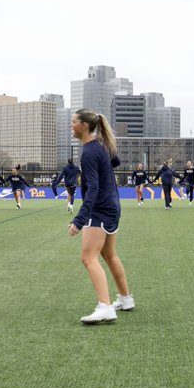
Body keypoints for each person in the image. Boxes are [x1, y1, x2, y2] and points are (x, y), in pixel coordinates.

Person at [68, 108, 134, 325]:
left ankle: (105, 307)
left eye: (74, 122)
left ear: (84, 126)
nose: (72, 126)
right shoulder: (101, 147)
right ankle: (125, 299)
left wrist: (79, 220)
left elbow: (93, 188)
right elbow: (115, 161)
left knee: (88, 258)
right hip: (112, 206)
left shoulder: (89, 151)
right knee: (109, 255)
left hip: (100, 209)